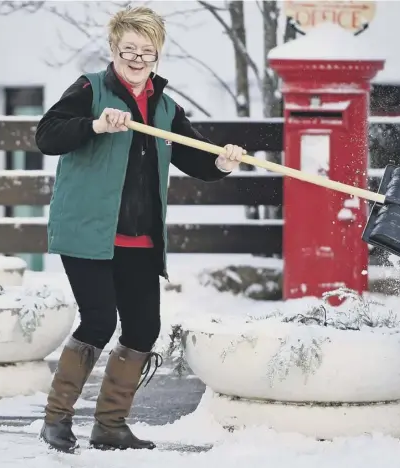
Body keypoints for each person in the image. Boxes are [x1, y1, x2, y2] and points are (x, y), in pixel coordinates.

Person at [35, 5, 244, 454]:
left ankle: (110, 425)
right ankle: (56, 419)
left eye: (146, 51)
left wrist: (222, 162)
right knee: (97, 320)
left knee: (144, 327)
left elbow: (195, 158)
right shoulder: (91, 89)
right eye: (128, 49)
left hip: (140, 237)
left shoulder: (165, 106)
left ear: (157, 56)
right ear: (114, 49)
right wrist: (95, 124)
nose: (136, 58)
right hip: (90, 231)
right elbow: (47, 135)